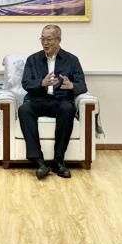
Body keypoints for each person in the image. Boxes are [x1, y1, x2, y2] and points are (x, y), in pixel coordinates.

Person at [18, 24, 87, 180]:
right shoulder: (33, 59)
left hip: (60, 101)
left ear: (58, 40)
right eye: (42, 39)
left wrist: (72, 86)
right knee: (24, 109)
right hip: (38, 100)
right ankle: (39, 162)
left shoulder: (72, 60)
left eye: (49, 39)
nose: (45, 43)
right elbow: (26, 83)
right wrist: (41, 83)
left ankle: (58, 161)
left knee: (68, 109)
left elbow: (82, 85)